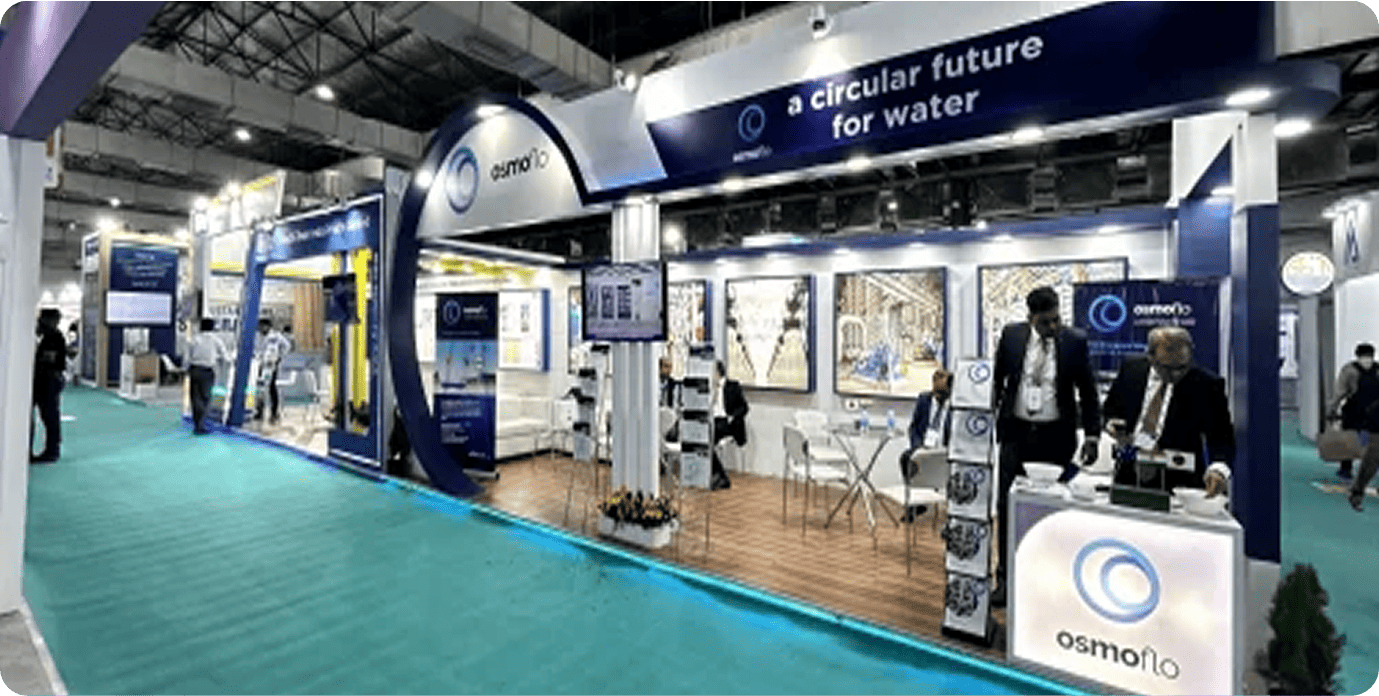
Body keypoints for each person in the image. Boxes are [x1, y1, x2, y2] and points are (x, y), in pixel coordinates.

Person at [990, 286, 1100, 607]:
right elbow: (997, 381)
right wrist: (981, 422)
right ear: (1030, 318)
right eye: (1045, 322)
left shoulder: (1074, 341)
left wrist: (1092, 435)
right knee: (1007, 507)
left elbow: (1088, 391)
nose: (1052, 327)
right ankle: (1005, 579)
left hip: (1056, 438)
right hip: (1016, 435)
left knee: (1053, 510)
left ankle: (1053, 581)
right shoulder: (1011, 337)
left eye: (1056, 320)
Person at [1101, 326, 1234, 496]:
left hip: (1180, 481)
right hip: (1129, 471)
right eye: (1167, 368)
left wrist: (1218, 469)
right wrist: (1111, 423)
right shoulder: (1131, 369)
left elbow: (1222, 437)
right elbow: (1110, 409)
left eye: (1182, 367)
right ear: (1151, 357)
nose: (1175, 374)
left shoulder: (1207, 385)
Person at [897, 368, 953, 522]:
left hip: (944, 449)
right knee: (905, 458)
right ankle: (915, 503)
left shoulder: (955, 407)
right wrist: (917, 446)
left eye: (942, 393)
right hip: (924, 447)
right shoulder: (924, 400)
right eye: (936, 392)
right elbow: (914, 427)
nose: (938, 397)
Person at [1327, 343, 1379, 480]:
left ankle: (1346, 469)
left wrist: (1332, 409)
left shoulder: (1350, 370)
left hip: (1359, 410)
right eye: (1367, 356)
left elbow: (1339, 392)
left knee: (1350, 439)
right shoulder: (1374, 369)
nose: (1367, 359)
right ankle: (1362, 468)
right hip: (1367, 411)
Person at [31, 309, 67, 463]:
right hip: (44, 381)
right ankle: (50, 450)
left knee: (50, 417)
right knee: (48, 416)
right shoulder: (46, 336)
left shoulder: (54, 337)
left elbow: (48, 360)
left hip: (48, 381)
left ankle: (52, 451)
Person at [187, 317, 230, 435]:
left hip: (195, 369)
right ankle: (201, 424)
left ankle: (197, 425)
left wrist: (187, 369)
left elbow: (187, 357)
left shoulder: (194, 340)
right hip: (207, 371)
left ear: (200, 327)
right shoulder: (216, 340)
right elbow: (226, 357)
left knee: (195, 398)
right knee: (206, 398)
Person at [711, 360, 748, 491]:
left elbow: (744, 407)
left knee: (708, 438)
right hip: (713, 421)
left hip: (727, 423)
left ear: (717, 372)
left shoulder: (733, 386)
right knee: (704, 441)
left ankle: (719, 476)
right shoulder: (710, 388)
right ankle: (721, 477)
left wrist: (732, 416)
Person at [254, 319, 292, 424]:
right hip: (260, 365)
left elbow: (287, 346)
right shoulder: (257, 336)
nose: (261, 328)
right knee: (259, 389)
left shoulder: (276, 336)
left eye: (263, 326)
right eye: (260, 326)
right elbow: (256, 349)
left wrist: (279, 357)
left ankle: (274, 413)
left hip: (271, 365)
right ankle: (259, 411)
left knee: (271, 389)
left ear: (268, 326)